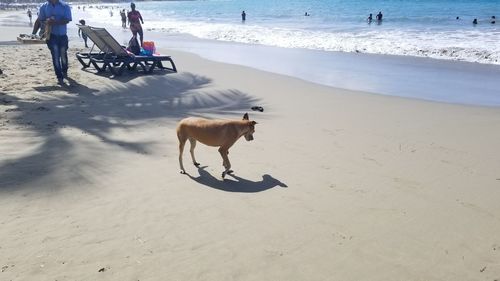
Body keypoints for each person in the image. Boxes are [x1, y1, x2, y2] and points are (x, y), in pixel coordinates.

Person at [32, 0, 72, 85]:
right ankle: (59, 77)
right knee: (56, 56)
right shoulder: (44, 6)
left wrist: (54, 22)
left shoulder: (65, 6)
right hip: (51, 36)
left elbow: (67, 20)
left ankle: (64, 71)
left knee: (63, 55)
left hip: (63, 35)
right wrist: (33, 34)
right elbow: (39, 20)